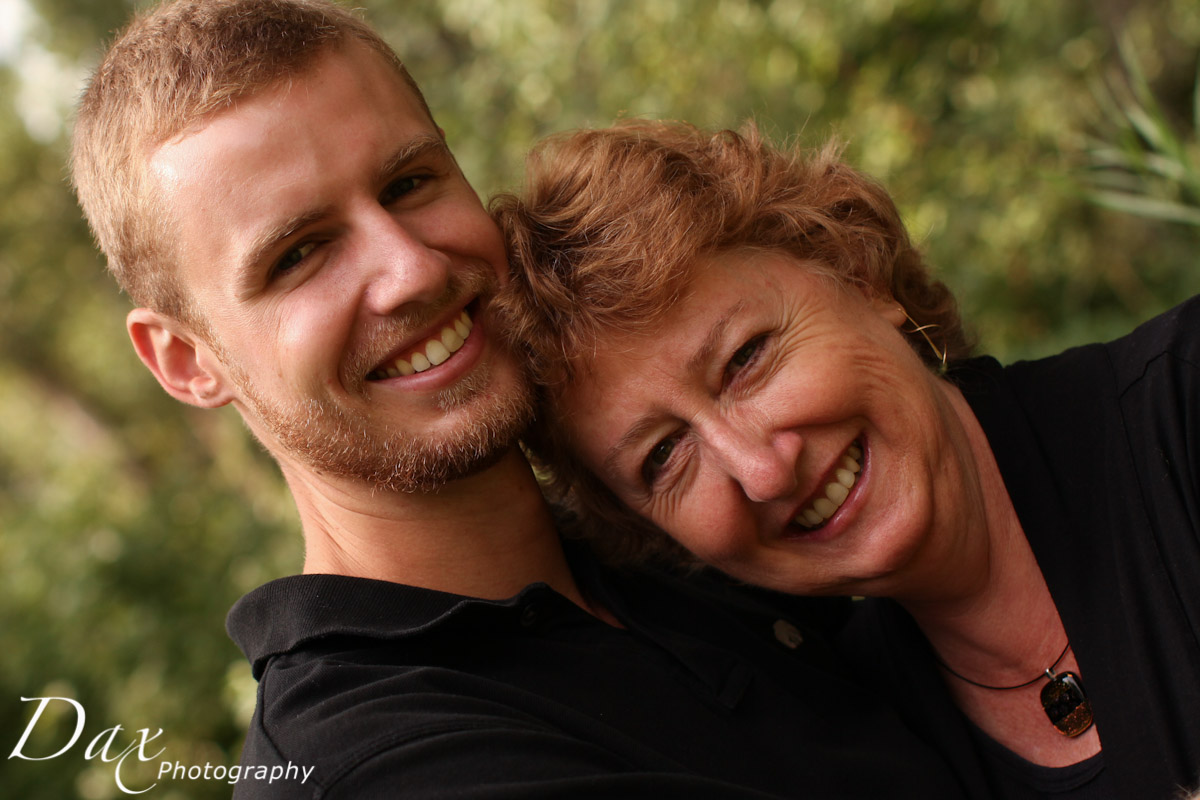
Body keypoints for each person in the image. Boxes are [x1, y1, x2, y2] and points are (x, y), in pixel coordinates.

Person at [69, 1, 982, 798]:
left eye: (409, 184)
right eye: (299, 253)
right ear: (186, 361)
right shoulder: (385, 762)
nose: (411, 270)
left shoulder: (678, 516)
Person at [493, 119, 1200, 799]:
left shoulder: (1182, 403)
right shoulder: (845, 746)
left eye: (745, 358)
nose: (762, 472)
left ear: (859, 273)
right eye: (664, 456)